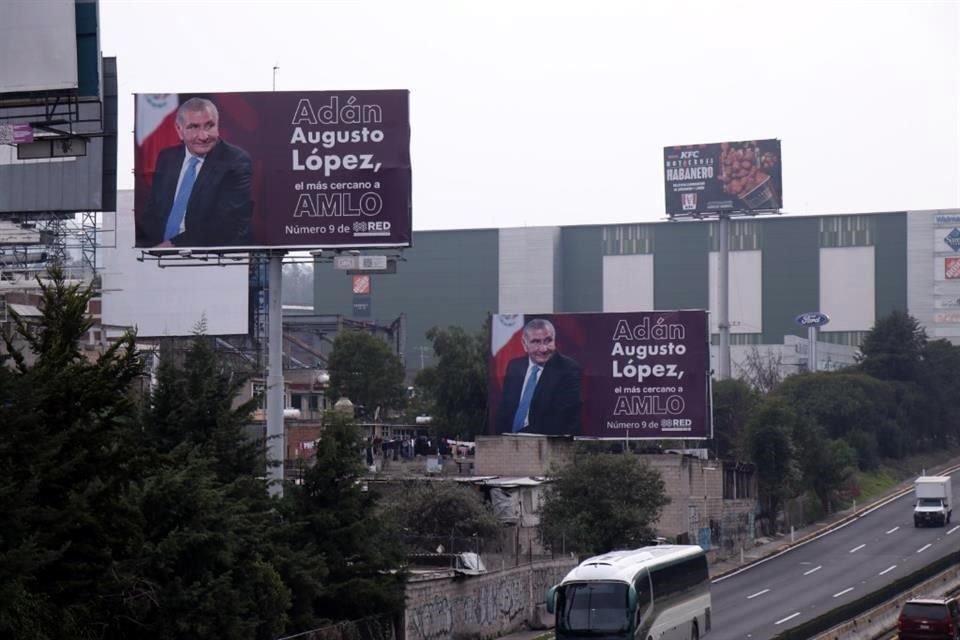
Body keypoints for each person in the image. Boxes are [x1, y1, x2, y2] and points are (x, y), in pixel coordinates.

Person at [136, 97, 253, 248]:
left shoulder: (236, 161)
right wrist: (145, 247)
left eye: (209, 126)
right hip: (156, 252)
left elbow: (226, 225)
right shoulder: (167, 157)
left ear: (218, 125)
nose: (203, 136)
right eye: (194, 127)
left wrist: (171, 246)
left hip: (208, 255)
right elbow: (153, 212)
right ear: (179, 130)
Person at [495, 318, 582, 436]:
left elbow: (561, 421)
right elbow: (505, 411)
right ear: (524, 344)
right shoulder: (514, 366)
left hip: (545, 441)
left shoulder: (568, 369)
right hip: (506, 441)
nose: (543, 349)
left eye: (548, 341)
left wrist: (518, 436)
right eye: (536, 342)